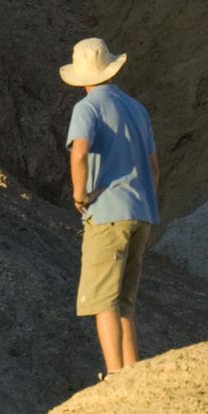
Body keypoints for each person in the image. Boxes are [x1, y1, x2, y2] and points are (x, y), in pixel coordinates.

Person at [61, 35, 159, 376]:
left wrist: (79, 195)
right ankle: (133, 374)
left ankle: (115, 376)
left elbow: (79, 152)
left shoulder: (87, 108)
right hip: (141, 213)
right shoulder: (137, 108)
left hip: (107, 212)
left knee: (103, 301)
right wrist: (149, 211)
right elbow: (154, 167)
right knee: (126, 304)